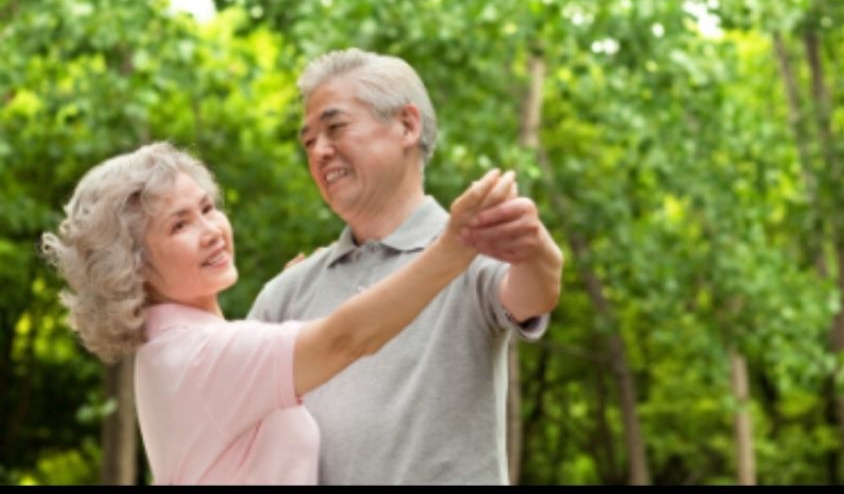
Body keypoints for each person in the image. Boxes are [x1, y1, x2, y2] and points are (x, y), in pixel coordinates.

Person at [41, 142, 517, 485]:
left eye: (207, 208)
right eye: (179, 225)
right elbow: (344, 339)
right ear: (135, 267)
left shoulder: (181, 348)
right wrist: (453, 247)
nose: (210, 230)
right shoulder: (199, 355)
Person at [248, 48, 564, 484]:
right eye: (308, 141)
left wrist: (536, 250)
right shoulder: (286, 293)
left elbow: (534, 293)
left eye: (335, 127)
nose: (319, 151)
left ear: (407, 125)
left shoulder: (468, 249)